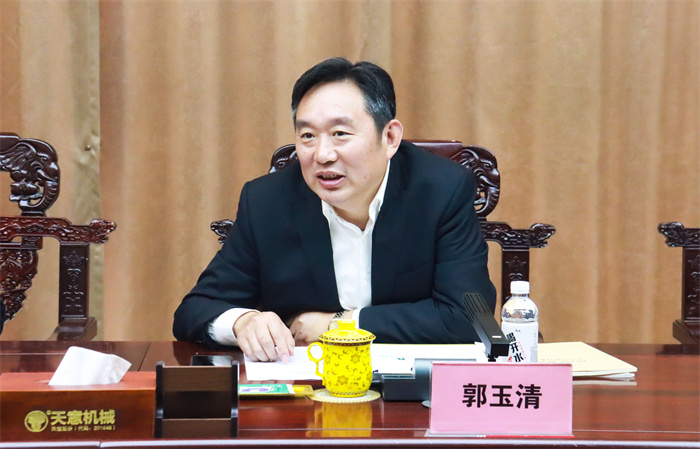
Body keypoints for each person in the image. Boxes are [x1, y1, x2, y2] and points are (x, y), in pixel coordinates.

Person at [173, 57, 496, 362]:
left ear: (390, 137)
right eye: (308, 136)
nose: (323, 155)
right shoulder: (267, 202)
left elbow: (469, 316)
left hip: (411, 390)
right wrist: (243, 322)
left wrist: (339, 324)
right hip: (307, 389)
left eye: (340, 134)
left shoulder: (441, 191)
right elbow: (195, 310)